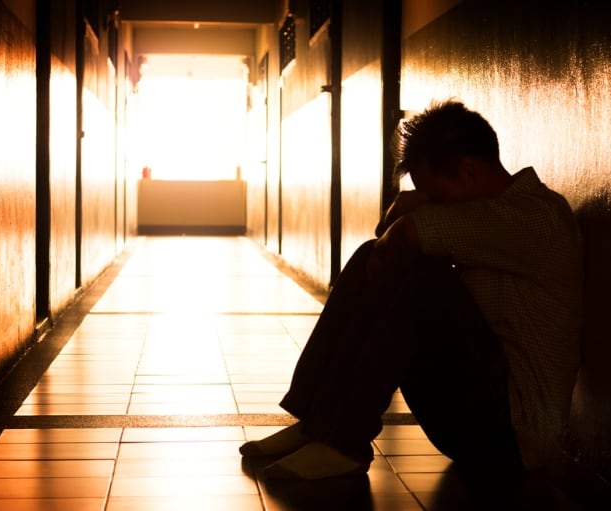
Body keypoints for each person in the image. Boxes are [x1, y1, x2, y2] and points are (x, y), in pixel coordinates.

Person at [240, 100, 583, 481]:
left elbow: (405, 234)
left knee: (418, 275)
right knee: (375, 254)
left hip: (514, 437)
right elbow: (386, 237)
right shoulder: (488, 215)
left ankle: (343, 443)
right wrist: (408, 211)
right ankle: (316, 425)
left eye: (436, 196)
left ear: (469, 169)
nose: (434, 207)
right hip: (470, 421)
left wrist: (406, 219)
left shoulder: (535, 216)